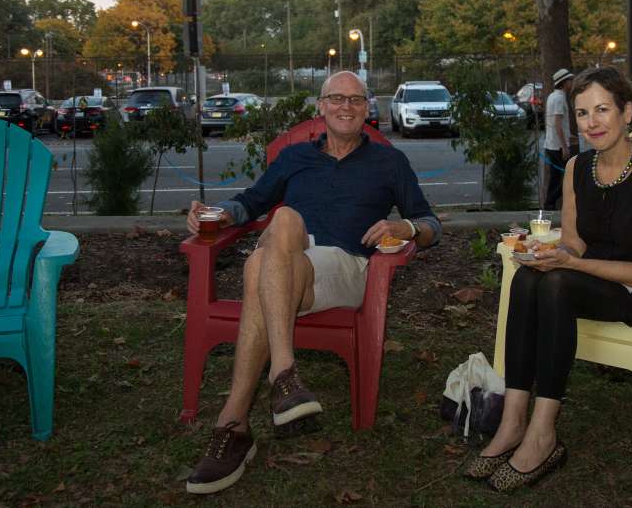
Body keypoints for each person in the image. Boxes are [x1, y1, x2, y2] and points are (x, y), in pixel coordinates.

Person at [183, 71, 441, 495]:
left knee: (261, 260)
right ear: (320, 107)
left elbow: (431, 223)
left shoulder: (389, 162)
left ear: (367, 109)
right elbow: (250, 202)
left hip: (346, 267)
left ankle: (239, 415)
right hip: (290, 267)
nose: (345, 106)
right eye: (336, 98)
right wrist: (218, 213)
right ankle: (275, 386)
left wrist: (407, 228)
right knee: (277, 233)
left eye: (356, 100)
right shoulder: (295, 157)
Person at [468, 66, 632, 492]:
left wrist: (568, 266)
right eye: (583, 112)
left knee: (556, 282)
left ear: (626, 112)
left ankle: (543, 432)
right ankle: (513, 419)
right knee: (530, 277)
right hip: (592, 282)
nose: (592, 122)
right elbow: (575, 245)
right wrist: (548, 253)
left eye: (603, 109)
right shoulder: (575, 168)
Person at [542, 67, 577, 210]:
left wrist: (570, 137)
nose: (572, 83)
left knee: (556, 178)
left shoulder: (552, 96)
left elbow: (556, 123)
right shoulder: (559, 98)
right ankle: (549, 204)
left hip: (551, 144)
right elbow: (557, 122)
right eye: (570, 80)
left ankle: (549, 206)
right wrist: (564, 146)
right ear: (563, 82)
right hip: (557, 146)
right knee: (566, 179)